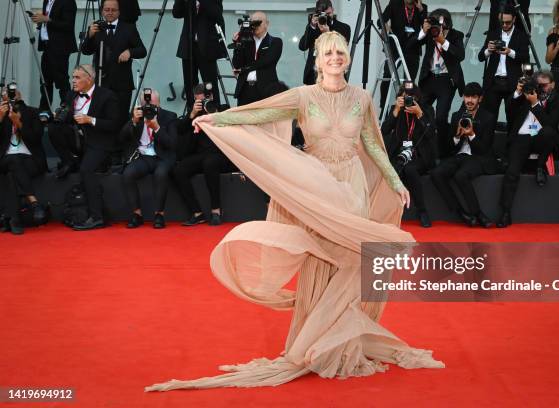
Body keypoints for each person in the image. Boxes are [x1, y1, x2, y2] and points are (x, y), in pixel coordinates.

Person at [146, 31, 443, 392]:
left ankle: (340, 343)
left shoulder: (363, 98)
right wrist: (218, 120)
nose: (335, 57)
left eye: (340, 52)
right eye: (328, 52)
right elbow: (262, 114)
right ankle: (316, 342)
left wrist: (395, 182)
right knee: (322, 261)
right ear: (317, 60)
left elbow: (372, 144)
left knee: (354, 261)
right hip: (316, 187)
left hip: (352, 187)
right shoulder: (303, 97)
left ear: (347, 58)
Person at [48, 64, 120, 230]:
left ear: (89, 79)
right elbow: (66, 120)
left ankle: (97, 217)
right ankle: (69, 161)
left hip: (99, 142)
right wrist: (58, 116)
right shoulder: (70, 94)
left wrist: (90, 120)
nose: (73, 81)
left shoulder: (107, 96)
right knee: (53, 128)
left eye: (77, 77)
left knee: (86, 170)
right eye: (73, 77)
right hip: (78, 139)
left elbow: (114, 124)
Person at [497, 70, 559, 228]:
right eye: (538, 85)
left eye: (545, 85)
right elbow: (509, 110)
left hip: (541, 138)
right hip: (521, 138)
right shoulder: (526, 94)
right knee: (512, 173)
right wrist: (517, 91)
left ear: (553, 84)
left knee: (549, 132)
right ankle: (505, 212)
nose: (541, 88)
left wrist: (535, 104)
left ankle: (540, 165)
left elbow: (549, 123)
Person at [430, 82, 498, 228]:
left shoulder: (488, 117)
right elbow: (448, 147)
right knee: (436, 173)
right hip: (459, 156)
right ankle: (461, 213)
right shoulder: (456, 116)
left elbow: (484, 148)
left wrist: (472, 134)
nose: (470, 100)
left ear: (480, 99)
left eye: (474, 97)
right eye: (467, 96)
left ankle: (478, 214)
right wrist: (457, 136)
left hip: (478, 157)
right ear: (463, 98)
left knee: (460, 175)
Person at [172, 84, 236, 226]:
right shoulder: (194, 114)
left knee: (210, 163)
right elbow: (180, 130)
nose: (204, 103)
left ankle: (216, 211)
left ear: (211, 96)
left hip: (221, 154)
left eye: (206, 99)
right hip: (201, 154)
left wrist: (214, 113)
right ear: (195, 100)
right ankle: (197, 213)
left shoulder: (223, 109)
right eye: (200, 101)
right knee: (179, 170)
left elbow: (232, 126)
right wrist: (193, 114)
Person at [118, 89, 177, 229]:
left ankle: (159, 214)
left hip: (162, 156)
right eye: (146, 106)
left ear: (159, 104)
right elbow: (121, 138)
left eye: (153, 106)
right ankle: (137, 214)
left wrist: (157, 128)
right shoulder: (137, 115)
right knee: (128, 174)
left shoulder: (170, 116)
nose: (149, 109)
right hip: (143, 156)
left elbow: (172, 144)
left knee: (161, 174)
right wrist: (133, 121)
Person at [81, 0, 147, 124]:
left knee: (121, 119)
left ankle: (121, 142)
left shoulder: (128, 28)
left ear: (119, 11)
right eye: (107, 10)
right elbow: (85, 51)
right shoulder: (96, 27)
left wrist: (129, 52)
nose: (110, 13)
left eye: (113, 10)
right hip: (101, 82)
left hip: (122, 83)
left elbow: (142, 50)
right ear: (102, 11)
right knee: (101, 117)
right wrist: (89, 35)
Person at [381, 82, 436, 227]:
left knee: (410, 169)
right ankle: (386, 211)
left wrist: (420, 114)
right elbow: (384, 131)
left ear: (418, 97)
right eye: (404, 96)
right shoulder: (396, 109)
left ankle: (422, 211)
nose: (408, 100)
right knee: (391, 169)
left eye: (411, 97)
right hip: (399, 154)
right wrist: (396, 110)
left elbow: (431, 133)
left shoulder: (427, 109)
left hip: (419, 155)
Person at [417, 8, 465, 159]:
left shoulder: (456, 35)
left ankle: (443, 152)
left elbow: (460, 55)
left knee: (441, 117)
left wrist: (443, 41)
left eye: (440, 25)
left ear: (447, 24)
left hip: (446, 80)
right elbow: (411, 45)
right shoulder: (430, 33)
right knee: (419, 110)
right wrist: (424, 32)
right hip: (429, 78)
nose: (437, 28)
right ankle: (420, 149)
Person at [0, 86, 48, 235]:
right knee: (12, 160)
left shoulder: (33, 112)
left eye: (13, 91)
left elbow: (36, 138)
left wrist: (18, 123)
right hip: (4, 159)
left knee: (12, 174)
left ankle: (13, 219)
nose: (11, 94)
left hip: (30, 159)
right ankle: (34, 203)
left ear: (20, 94)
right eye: (7, 93)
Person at [478, 8, 530, 124]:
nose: (505, 25)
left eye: (508, 22)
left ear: (514, 19)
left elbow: (525, 57)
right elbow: (481, 57)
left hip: (512, 83)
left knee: (513, 119)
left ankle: (511, 142)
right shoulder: (493, 33)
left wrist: (510, 52)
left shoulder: (521, 35)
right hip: (493, 82)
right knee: (489, 120)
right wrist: (489, 50)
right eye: (502, 22)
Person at [173, 0, 225, 106]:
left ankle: (213, 111)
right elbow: (176, 13)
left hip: (207, 47)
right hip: (188, 46)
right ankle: (191, 114)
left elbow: (217, 14)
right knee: (189, 84)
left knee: (210, 84)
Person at [379, 0, 428, 109]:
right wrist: (386, 27)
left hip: (412, 49)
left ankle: (407, 107)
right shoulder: (394, 4)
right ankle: (383, 107)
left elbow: (426, 27)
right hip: (395, 47)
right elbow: (380, 21)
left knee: (409, 80)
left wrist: (421, 10)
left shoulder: (422, 7)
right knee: (387, 75)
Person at [31, 0, 78, 111]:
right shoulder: (47, 1)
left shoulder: (68, 2)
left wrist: (47, 19)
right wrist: (40, 22)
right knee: (45, 80)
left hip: (59, 47)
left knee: (61, 79)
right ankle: (44, 110)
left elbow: (68, 25)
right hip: (47, 46)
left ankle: (66, 109)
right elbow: (48, 21)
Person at [232, 12, 283, 106]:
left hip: (266, 89)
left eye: (258, 22)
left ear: (267, 24)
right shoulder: (246, 41)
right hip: (245, 89)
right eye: (252, 23)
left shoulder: (275, 41)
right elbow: (237, 64)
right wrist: (237, 44)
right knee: (243, 119)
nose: (255, 25)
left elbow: (265, 62)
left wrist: (244, 69)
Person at [298, 0, 351, 85]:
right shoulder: (314, 27)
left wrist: (328, 33)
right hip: (313, 75)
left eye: (329, 14)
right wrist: (312, 26)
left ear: (333, 10)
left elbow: (342, 48)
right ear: (317, 13)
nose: (327, 17)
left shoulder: (344, 28)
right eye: (324, 15)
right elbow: (302, 47)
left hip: (335, 73)